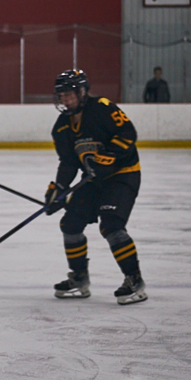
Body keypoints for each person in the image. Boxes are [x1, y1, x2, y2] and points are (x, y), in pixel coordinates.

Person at [45, 69, 146, 305]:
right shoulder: (61, 127)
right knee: (70, 224)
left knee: (111, 225)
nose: (65, 100)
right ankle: (80, 278)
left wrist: (110, 155)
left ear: (82, 92)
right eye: (62, 96)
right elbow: (69, 162)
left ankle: (134, 280)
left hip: (123, 175)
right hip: (93, 179)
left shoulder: (102, 107)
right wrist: (58, 189)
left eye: (69, 94)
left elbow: (128, 133)